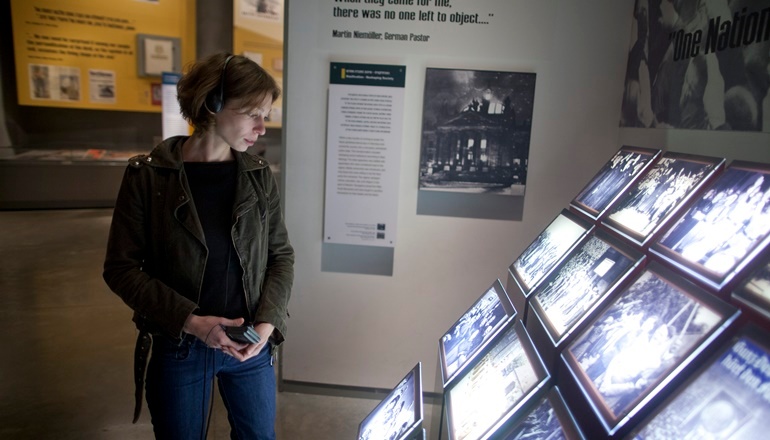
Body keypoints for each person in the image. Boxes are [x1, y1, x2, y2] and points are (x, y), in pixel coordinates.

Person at [103, 52, 294, 439]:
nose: (261, 128)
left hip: (250, 345)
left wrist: (267, 324)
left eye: (266, 115)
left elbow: (281, 256)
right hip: (180, 347)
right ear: (213, 104)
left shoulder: (258, 177)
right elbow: (121, 269)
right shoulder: (149, 177)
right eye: (251, 113)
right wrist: (192, 322)